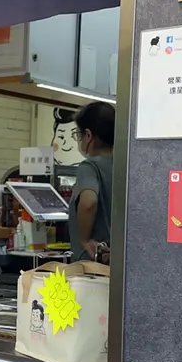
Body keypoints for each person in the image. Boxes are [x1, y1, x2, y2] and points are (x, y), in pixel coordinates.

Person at [68, 101, 115, 262]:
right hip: (116, 261)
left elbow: (89, 202)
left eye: (78, 135)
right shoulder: (125, 167)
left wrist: (84, 241)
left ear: (88, 135)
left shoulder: (89, 167)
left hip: (92, 262)